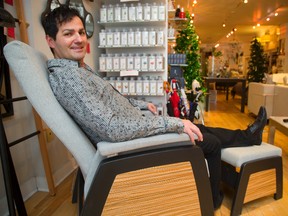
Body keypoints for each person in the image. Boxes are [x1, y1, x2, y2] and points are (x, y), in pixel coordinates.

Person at [41, 6, 267, 210]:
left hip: (135, 127)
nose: (79, 39)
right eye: (68, 34)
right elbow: (111, 128)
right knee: (211, 142)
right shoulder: (69, 78)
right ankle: (212, 201)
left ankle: (247, 136)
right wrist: (172, 123)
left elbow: (109, 102)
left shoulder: (78, 69)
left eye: (80, 32)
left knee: (196, 128)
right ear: (51, 40)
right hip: (131, 142)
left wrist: (140, 104)